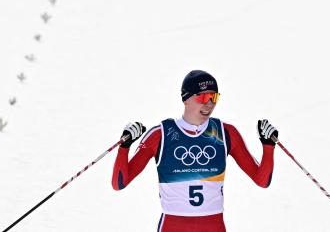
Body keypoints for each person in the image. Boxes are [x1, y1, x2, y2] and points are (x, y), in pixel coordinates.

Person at [112, 70, 279, 232]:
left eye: (214, 97)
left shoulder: (226, 133)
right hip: (173, 225)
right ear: (186, 99)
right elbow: (119, 183)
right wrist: (124, 146)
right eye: (203, 97)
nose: (210, 104)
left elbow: (261, 180)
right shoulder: (161, 134)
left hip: (213, 225)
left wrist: (268, 145)